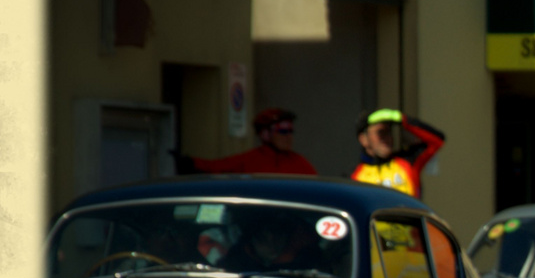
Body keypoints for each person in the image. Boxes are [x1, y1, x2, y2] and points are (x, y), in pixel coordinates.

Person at [176, 107, 318, 176]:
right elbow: (218, 167)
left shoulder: (301, 163)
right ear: (265, 134)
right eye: (282, 131)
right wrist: (190, 163)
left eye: (290, 131)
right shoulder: (249, 160)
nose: (288, 136)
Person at [350, 108, 446, 198]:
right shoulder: (354, 177)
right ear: (364, 139)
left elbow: (437, 141)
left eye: (389, 132)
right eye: (380, 133)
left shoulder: (407, 161)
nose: (386, 138)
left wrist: (403, 120)